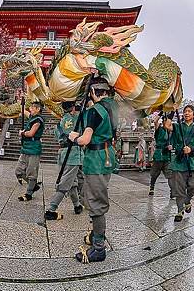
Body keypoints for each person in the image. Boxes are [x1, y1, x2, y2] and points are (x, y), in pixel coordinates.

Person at [68, 78, 118, 263]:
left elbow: (85, 140)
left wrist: (74, 137)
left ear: (92, 92)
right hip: (107, 156)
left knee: (96, 203)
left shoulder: (95, 111)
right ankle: (95, 234)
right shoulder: (114, 106)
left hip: (96, 159)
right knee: (96, 195)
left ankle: (99, 248)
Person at [45, 101, 84, 221]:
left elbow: (57, 136)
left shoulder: (60, 122)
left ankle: (77, 205)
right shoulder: (77, 120)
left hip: (62, 153)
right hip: (73, 154)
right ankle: (51, 209)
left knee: (72, 181)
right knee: (66, 182)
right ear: (73, 108)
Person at [169, 105, 194, 222]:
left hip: (192, 161)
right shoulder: (177, 126)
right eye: (184, 111)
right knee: (179, 188)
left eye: (189, 111)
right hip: (179, 161)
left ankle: (187, 200)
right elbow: (167, 125)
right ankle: (179, 210)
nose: (186, 113)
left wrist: (192, 148)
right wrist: (173, 111)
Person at [15, 101, 45, 202]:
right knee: (18, 171)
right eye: (30, 107)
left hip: (34, 148)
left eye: (32, 108)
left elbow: (31, 133)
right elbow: (24, 112)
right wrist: (21, 103)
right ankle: (34, 185)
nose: (30, 109)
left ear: (38, 109)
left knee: (31, 172)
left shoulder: (38, 120)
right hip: (25, 147)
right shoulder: (32, 117)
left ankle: (29, 193)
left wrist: (22, 133)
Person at [149, 111, 173, 197]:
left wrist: (171, 146)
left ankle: (172, 191)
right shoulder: (159, 129)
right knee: (155, 173)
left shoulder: (171, 131)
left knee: (170, 174)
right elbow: (155, 121)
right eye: (166, 121)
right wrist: (161, 112)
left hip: (167, 155)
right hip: (159, 154)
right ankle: (152, 187)